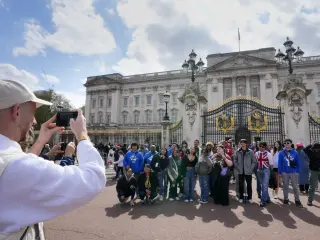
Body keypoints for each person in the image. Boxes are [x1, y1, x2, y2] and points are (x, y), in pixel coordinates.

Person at [0, 80, 106, 239]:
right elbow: (93, 178)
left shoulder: (12, 164)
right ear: (16, 111)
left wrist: (41, 141)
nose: (34, 121)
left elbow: (19, 165)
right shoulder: (16, 168)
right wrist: (82, 135)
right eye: (32, 113)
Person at [278, 139, 303, 207]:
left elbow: (298, 162)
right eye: (285, 143)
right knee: (285, 186)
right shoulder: (281, 152)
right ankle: (286, 199)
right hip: (284, 172)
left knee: (295, 187)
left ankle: (297, 200)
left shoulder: (295, 152)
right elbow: (279, 163)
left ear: (291, 144)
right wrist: (279, 172)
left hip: (293, 172)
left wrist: (298, 171)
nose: (286, 144)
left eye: (288, 143)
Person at [233, 139, 257, 203]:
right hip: (240, 171)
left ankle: (250, 198)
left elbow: (254, 161)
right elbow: (235, 160)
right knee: (241, 185)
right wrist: (237, 167)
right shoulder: (237, 151)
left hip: (248, 171)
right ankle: (241, 197)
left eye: (244, 142)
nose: (242, 143)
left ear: (246, 143)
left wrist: (251, 168)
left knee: (249, 185)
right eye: (241, 142)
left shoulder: (250, 151)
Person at [255, 142, 273, 207]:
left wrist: (271, 172)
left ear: (265, 147)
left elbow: (271, 164)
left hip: (266, 170)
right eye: (260, 146)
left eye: (263, 146)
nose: (261, 148)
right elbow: (255, 162)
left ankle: (263, 201)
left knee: (265, 185)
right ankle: (267, 198)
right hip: (259, 170)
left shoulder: (268, 154)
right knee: (262, 185)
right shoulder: (256, 153)